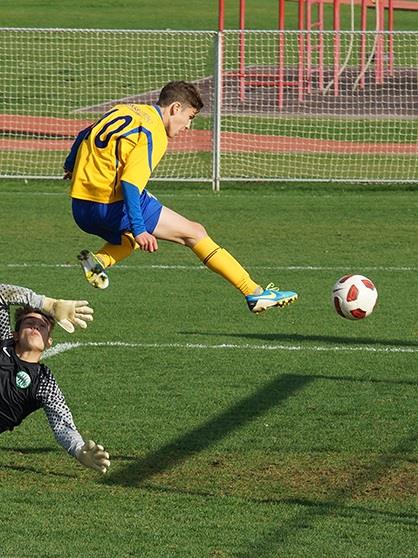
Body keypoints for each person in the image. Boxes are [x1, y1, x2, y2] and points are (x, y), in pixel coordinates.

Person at [65, 80, 298, 314]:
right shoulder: (153, 132)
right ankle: (254, 293)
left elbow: (83, 133)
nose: (188, 126)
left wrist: (70, 165)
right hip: (110, 205)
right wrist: (140, 227)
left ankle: (100, 262)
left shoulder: (125, 109)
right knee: (194, 233)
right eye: (190, 117)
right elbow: (130, 183)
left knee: (131, 239)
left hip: (80, 207)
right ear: (175, 108)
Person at [0, 283, 110, 473]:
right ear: (15, 334)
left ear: (49, 342)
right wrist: (46, 304)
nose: (35, 326)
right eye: (29, 323)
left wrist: (78, 449)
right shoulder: (3, 342)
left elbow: (62, 424)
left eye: (42, 326)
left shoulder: (44, 381)